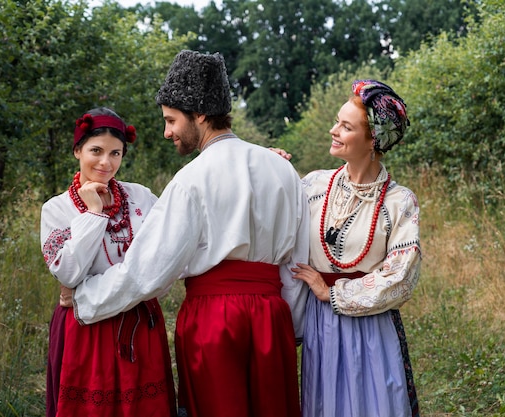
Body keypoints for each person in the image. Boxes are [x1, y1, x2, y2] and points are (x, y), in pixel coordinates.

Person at [64, 50, 310, 417]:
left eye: (171, 120)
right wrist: (290, 325)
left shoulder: (191, 180)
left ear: (199, 114)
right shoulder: (282, 169)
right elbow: (297, 262)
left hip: (215, 321)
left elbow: (147, 270)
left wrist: (86, 299)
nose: (167, 132)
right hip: (271, 318)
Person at [290, 80, 421, 417]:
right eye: (337, 121)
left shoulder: (398, 201)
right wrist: (272, 168)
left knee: (375, 404)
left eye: (346, 127)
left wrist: (333, 292)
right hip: (322, 326)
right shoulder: (314, 185)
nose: (334, 131)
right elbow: (273, 215)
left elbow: (401, 277)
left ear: (372, 139)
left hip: (371, 325)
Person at [40, 107, 177, 417]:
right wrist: (94, 214)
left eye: (116, 153)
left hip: (140, 325)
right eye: (96, 151)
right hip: (85, 327)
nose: (106, 162)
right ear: (77, 150)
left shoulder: (141, 198)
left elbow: (164, 259)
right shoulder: (57, 209)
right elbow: (69, 272)